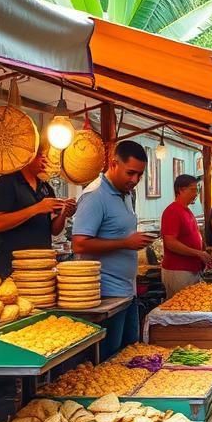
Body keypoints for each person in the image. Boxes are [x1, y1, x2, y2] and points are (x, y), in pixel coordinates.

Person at [73, 141, 155, 358]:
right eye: (130, 173)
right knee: (110, 359)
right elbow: (79, 243)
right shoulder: (94, 196)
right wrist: (125, 243)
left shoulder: (126, 194)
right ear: (113, 164)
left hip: (127, 291)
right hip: (105, 295)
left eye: (140, 175)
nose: (135, 180)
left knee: (130, 355)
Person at [0, 145, 76, 277]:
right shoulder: (6, 183)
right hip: (12, 266)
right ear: (27, 156)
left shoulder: (46, 188)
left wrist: (64, 213)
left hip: (42, 264)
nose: (45, 160)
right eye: (40, 155)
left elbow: (54, 230)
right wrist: (37, 208)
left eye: (46, 155)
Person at [161, 175, 212, 297]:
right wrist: (198, 253)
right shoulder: (172, 211)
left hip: (191, 270)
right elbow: (170, 243)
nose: (196, 193)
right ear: (181, 190)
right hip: (178, 271)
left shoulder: (187, 210)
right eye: (193, 190)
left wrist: (204, 250)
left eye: (197, 190)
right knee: (180, 308)